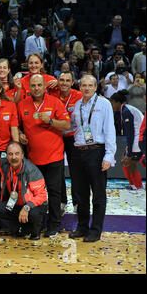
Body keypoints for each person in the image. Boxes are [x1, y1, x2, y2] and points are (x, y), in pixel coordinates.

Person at [18, 74, 71, 237]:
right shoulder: (22, 104)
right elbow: (17, 125)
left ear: (44, 86)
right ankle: (37, 224)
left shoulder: (55, 102)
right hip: (33, 158)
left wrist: (50, 121)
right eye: (33, 85)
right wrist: (20, 134)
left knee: (54, 192)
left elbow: (67, 124)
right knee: (34, 193)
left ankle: (54, 225)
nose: (36, 88)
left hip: (54, 156)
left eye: (39, 85)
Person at [68, 75, 117, 242]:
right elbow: (74, 127)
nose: (87, 88)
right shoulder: (77, 105)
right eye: (84, 85)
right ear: (80, 87)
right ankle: (82, 227)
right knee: (80, 194)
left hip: (96, 152)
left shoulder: (104, 104)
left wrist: (109, 156)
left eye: (90, 85)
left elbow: (110, 130)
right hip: (78, 152)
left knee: (98, 194)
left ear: (96, 87)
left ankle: (95, 231)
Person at [0, 141, 48, 240]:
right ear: (7, 156)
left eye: (17, 154)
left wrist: (27, 207)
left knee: (34, 214)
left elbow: (42, 196)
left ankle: (34, 231)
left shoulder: (32, 170)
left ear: (22, 155)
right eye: (10, 154)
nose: (14, 157)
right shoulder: (4, 163)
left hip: (33, 205)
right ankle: (19, 228)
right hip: (15, 203)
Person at [50, 71, 83, 215]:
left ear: (72, 82)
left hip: (73, 138)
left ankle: (77, 202)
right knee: (58, 171)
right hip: (56, 137)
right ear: (57, 81)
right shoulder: (52, 94)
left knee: (76, 171)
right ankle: (62, 202)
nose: (64, 83)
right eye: (61, 80)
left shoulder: (78, 96)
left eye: (67, 80)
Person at [110, 90, 144, 190]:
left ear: (117, 102)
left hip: (138, 139)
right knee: (124, 163)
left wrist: (129, 153)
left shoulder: (126, 111)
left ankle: (138, 187)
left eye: (111, 103)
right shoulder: (124, 110)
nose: (111, 106)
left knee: (131, 164)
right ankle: (133, 185)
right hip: (136, 139)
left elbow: (130, 133)